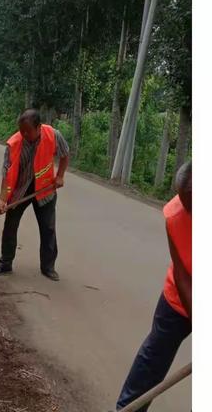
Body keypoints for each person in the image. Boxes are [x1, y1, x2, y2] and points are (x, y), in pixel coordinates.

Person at [115, 161, 192, 411]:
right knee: (153, 358)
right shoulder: (177, 216)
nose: (189, 212)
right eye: (186, 203)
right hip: (183, 298)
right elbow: (182, 275)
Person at [0, 108, 69, 281]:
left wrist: (60, 176)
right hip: (20, 189)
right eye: (21, 130)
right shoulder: (14, 143)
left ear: (39, 127)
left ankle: (48, 267)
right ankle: (5, 263)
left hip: (45, 189)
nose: (24, 134)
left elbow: (65, 154)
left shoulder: (53, 135)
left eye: (28, 131)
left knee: (48, 228)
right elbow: (6, 173)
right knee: (10, 224)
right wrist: (2, 198)